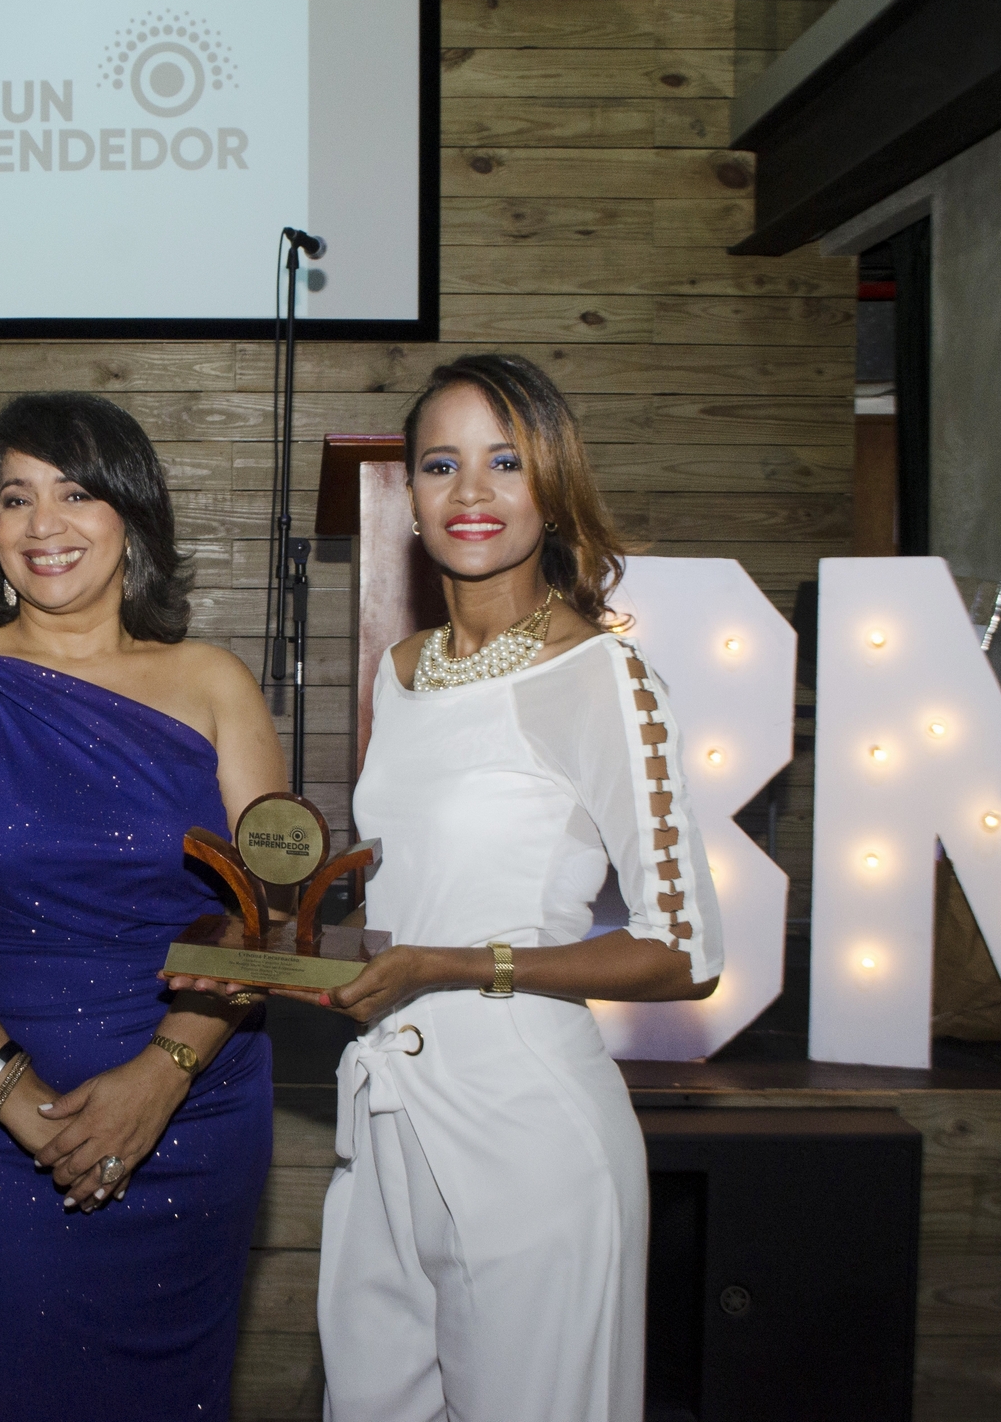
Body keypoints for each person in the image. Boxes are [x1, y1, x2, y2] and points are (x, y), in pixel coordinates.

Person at [295, 354, 720, 1421]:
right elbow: (413, 894)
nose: (470, 493)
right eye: (441, 463)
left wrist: (449, 964)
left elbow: (684, 950)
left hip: (529, 1131)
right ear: (412, 492)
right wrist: (287, 948)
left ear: (551, 485)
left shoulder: (602, 674)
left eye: (504, 462)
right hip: (387, 1116)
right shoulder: (402, 671)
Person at [0, 392, 285, 1420]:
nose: (45, 524)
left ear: (130, 513)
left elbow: (265, 911)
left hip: (193, 1105)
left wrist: (162, 1072)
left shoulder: (214, 681)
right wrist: (18, 1100)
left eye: (76, 491)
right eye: (15, 497)